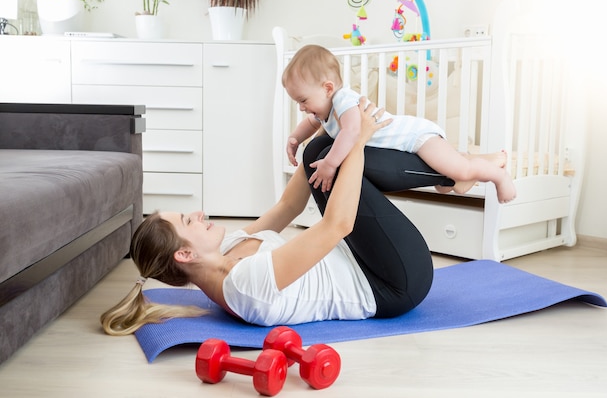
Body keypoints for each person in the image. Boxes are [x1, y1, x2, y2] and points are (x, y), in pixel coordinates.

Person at [100, 98, 458, 335]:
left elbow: (288, 207)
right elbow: (339, 224)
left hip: (363, 258)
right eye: (188, 221)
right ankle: (456, 172)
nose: (199, 214)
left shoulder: (228, 249)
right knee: (338, 151)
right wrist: (358, 138)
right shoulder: (244, 284)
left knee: (321, 149)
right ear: (185, 254)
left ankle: (456, 172)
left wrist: (324, 127)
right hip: (393, 282)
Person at [282, 44, 516, 203]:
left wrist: (330, 164)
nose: (301, 106)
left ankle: (498, 175)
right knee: (448, 178)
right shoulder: (324, 109)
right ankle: (468, 170)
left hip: (417, 137)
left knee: (459, 169)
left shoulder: (343, 100)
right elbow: (310, 123)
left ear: (328, 88)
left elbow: (352, 132)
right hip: (410, 142)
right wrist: (295, 139)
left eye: (303, 100)